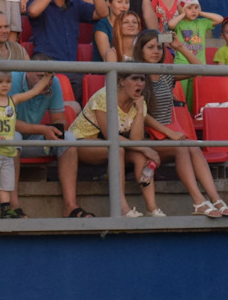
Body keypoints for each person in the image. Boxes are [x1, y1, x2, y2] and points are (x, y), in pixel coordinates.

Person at [131, 33, 228, 217]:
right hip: (146, 137)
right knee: (183, 147)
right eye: (150, 47)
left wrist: (179, 47)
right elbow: (141, 113)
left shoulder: (165, 73)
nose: (156, 51)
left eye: (159, 47)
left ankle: (215, 199)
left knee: (193, 146)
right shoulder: (136, 75)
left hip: (166, 136)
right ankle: (198, 201)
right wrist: (169, 132)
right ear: (141, 50)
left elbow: (201, 69)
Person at [57, 72, 166, 218]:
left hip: (110, 145)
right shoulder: (105, 96)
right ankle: (122, 207)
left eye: (142, 79)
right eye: (134, 78)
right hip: (81, 142)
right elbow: (110, 136)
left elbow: (136, 140)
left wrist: (140, 111)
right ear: (121, 81)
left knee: (139, 155)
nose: (140, 83)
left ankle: (152, 208)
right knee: (119, 149)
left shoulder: (140, 102)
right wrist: (146, 148)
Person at [0, 71, 55, 218]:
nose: (5, 85)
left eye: (8, 81)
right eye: (0, 82)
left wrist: (47, 77)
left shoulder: (13, 100)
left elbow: (34, 91)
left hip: (8, 151)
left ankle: (5, 210)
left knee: (6, 184)